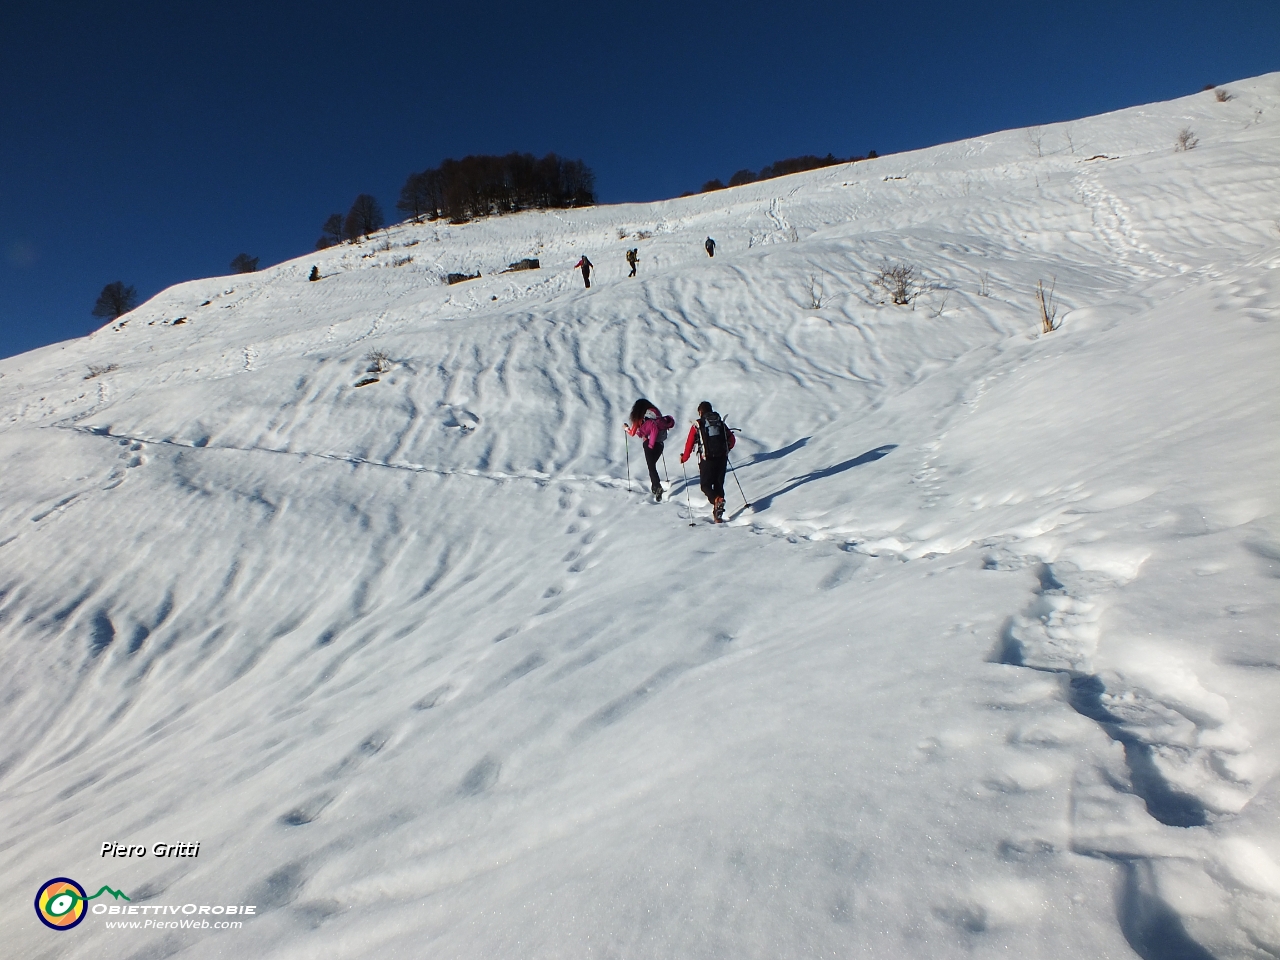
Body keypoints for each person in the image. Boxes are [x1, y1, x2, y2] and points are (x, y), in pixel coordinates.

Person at [680, 401, 736, 522]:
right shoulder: (720, 423)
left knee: (705, 485)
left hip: (707, 459)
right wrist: (726, 449)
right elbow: (732, 439)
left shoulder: (698, 424)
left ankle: (716, 500)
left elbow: (689, 444)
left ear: (700, 412)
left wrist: (684, 458)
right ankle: (718, 510)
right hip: (722, 458)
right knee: (718, 484)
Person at [626, 399, 676, 500]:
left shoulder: (639, 417)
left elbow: (632, 433)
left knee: (651, 466)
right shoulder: (655, 412)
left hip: (649, 444)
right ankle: (655, 487)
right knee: (651, 466)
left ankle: (657, 487)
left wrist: (626, 428)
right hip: (660, 444)